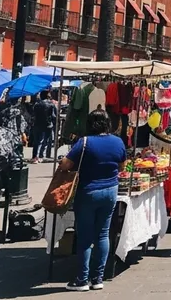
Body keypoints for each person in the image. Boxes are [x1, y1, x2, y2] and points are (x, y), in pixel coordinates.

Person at [57, 110, 127, 290]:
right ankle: (97, 279)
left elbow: (66, 164)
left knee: (85, 236)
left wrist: (61, 160)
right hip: (110, 190)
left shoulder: (85, 142)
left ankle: (82, 279)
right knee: (103, 234)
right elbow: (122, 166)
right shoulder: (118, 141)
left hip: (88, 191)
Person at [31, 90, 57, 163]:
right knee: (45, 141)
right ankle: (41, 156)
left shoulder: (37, 104)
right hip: (48, 125)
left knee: (37, 141)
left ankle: (35, 157)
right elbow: (53, 116)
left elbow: (33, 115)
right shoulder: (51, 104)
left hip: (37, 124)